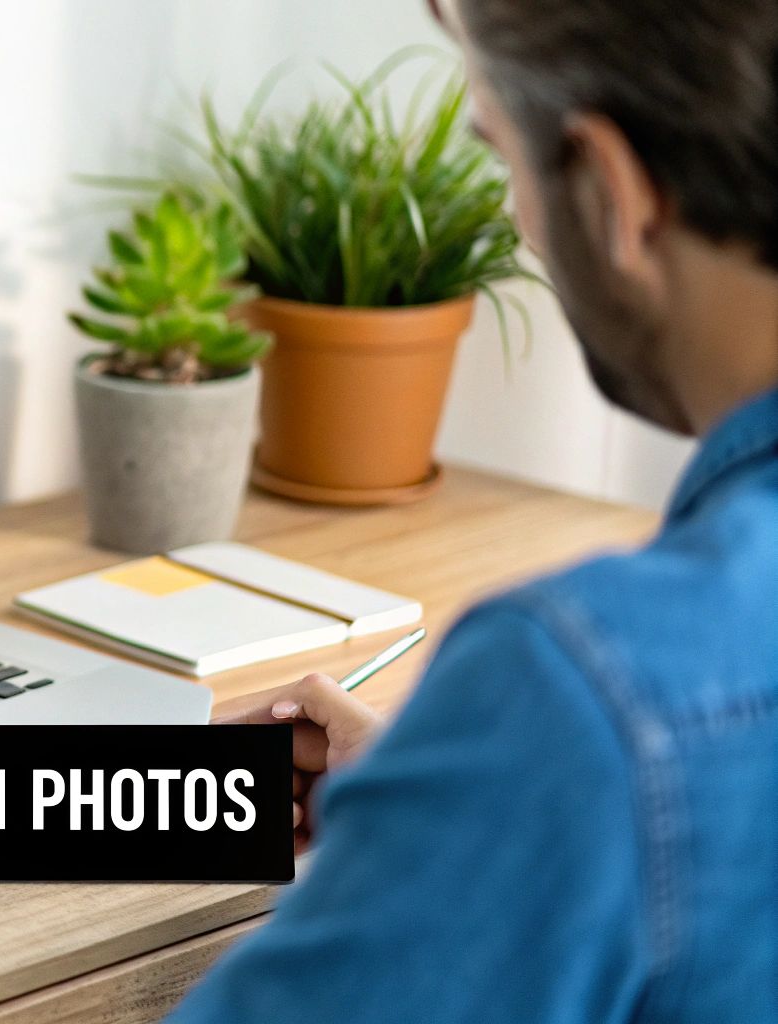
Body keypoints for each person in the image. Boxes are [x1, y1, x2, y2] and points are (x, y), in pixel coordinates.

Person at [169, 0, 778, 1019]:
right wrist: (455, 798)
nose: (515, 220)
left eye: (504, 156)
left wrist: (513, 771)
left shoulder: (582, 684)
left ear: (612, 191)